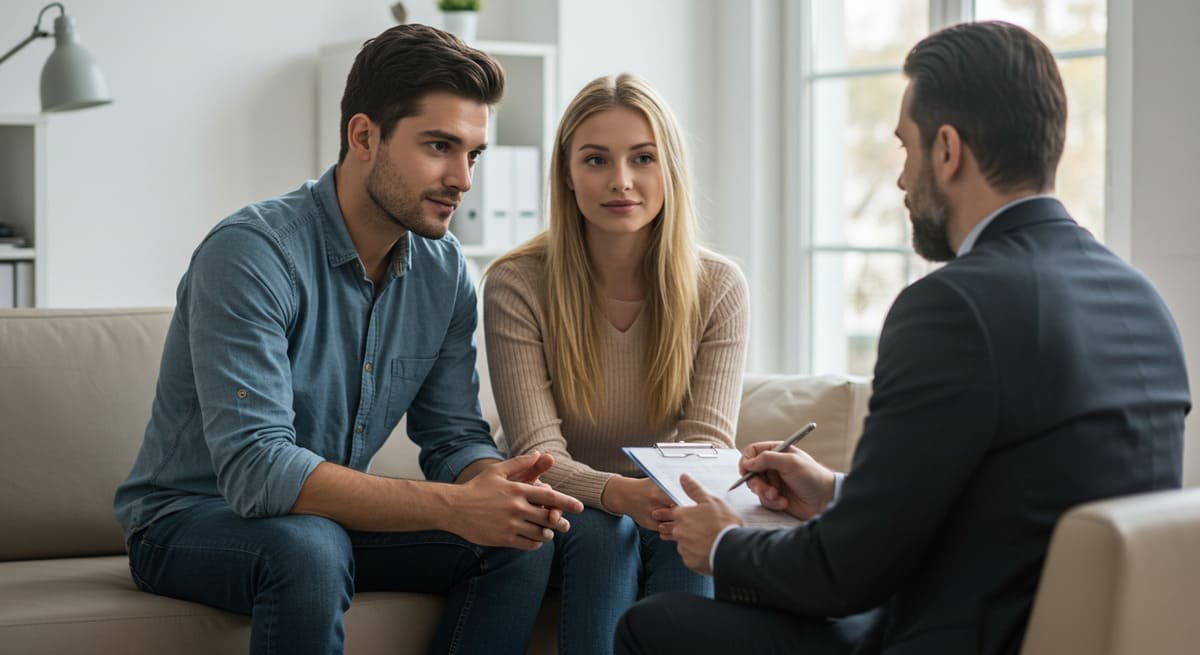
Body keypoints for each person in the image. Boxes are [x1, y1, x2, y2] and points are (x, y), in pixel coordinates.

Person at [616, 20, 1191, 655]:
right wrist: (836, 492)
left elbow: (844, 576)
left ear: (948, 150)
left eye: (906, 148)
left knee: (654, 625)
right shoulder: (1141, 300)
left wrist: (723, 543)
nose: (901, 180)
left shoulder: (954, 306)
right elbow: (1009, 506)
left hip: (955, 638)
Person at [112, 24, 583, 655]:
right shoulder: (252, 252)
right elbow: (259, 470)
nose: (463, 179)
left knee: (519, 542)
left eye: (473, 154)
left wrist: (493, 487)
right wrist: (452, 506)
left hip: (322, 522)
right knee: (309, 546)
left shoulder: (445, 273)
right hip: (188, 520)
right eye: (439, 146)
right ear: (364, 136)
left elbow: (451, 435)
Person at [482, 73, 749, 655]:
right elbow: (536, 457)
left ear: (668, 169)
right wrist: (618, 495)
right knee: (606, 532)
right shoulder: (516, 283)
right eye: (597, 159)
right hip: (561, 512)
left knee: (689, 531)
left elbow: (704, 450)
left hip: (657, 504)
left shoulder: (718, 286)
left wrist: (653, 502)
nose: (621, 181)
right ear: (567, 174)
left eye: (643, 158)